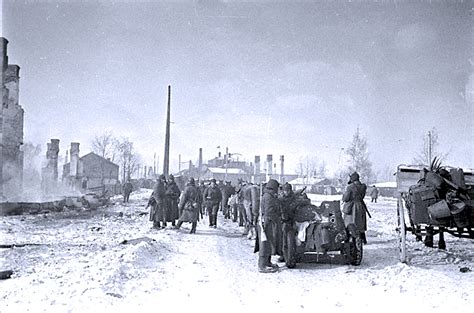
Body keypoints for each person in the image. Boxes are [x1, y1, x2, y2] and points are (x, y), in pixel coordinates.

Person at [258, 179, 282, 273]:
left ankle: (267, 262)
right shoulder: (268, 197)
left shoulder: (269, 195)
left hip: (269, 222)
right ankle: (262, 265)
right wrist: (277, 219)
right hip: (268, 223)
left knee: (269, 243)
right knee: (265, 244)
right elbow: (269, 211)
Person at [278, 183, 301, 268]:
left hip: (292, 223)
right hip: (284, 222)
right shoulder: (281, 199)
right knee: (284, 243)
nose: (286, 192)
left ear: (290, 190)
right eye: (285, 190)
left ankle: (290, 261)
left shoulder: (294, 199)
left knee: (290, 244)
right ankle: (285, 257)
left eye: (288, 190)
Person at [342, 172, 368, 244]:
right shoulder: (363, 186)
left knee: (349, 223)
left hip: (352, 207)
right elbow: (362, 196)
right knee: (360, 223)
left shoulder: (350, 187)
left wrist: (344, 196)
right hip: (361, 206)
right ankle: (363, 238)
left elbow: (346, 198)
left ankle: (348, 238)